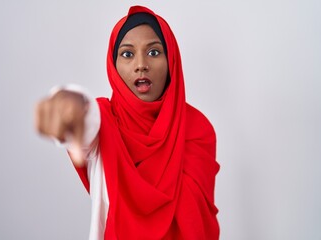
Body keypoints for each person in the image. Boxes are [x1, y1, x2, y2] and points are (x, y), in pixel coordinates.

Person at [35, 5, 220, 240]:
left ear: (171, 59)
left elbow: (200, 224)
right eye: (127, 54)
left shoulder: (197, 129)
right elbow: (84, 120)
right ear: (113, 65)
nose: (141, 64)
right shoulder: (103, 121)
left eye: (153, 52)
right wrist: (68, 104)